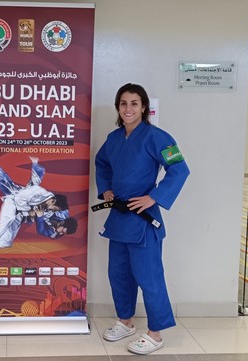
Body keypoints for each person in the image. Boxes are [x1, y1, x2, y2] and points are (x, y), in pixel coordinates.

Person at [94, 83, 190, 355]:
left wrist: (155, 197)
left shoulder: (158, 137)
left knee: (149, 278)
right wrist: (106, 189)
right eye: (123, 103)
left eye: (134, 103)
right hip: (119, 218)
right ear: (118, 108)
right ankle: (125, 321)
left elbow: (180, 169)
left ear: (144, 107)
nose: (128, 109)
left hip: (143, 219)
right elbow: (102, 163)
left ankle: (155, 333)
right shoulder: (113, 139)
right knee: (119, 275)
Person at [0, 157, 76, 251]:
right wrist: (31, 210)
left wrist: (39, 217)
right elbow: (24, 198)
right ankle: (31, 165)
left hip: (28, 214)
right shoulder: (61, 210)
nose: (61, 233)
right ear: (63, 223)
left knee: (6, 242)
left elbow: (41, 230)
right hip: (23, 204)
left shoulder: (56, 234)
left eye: (63, 233)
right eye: (63, 231)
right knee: (16, 193)